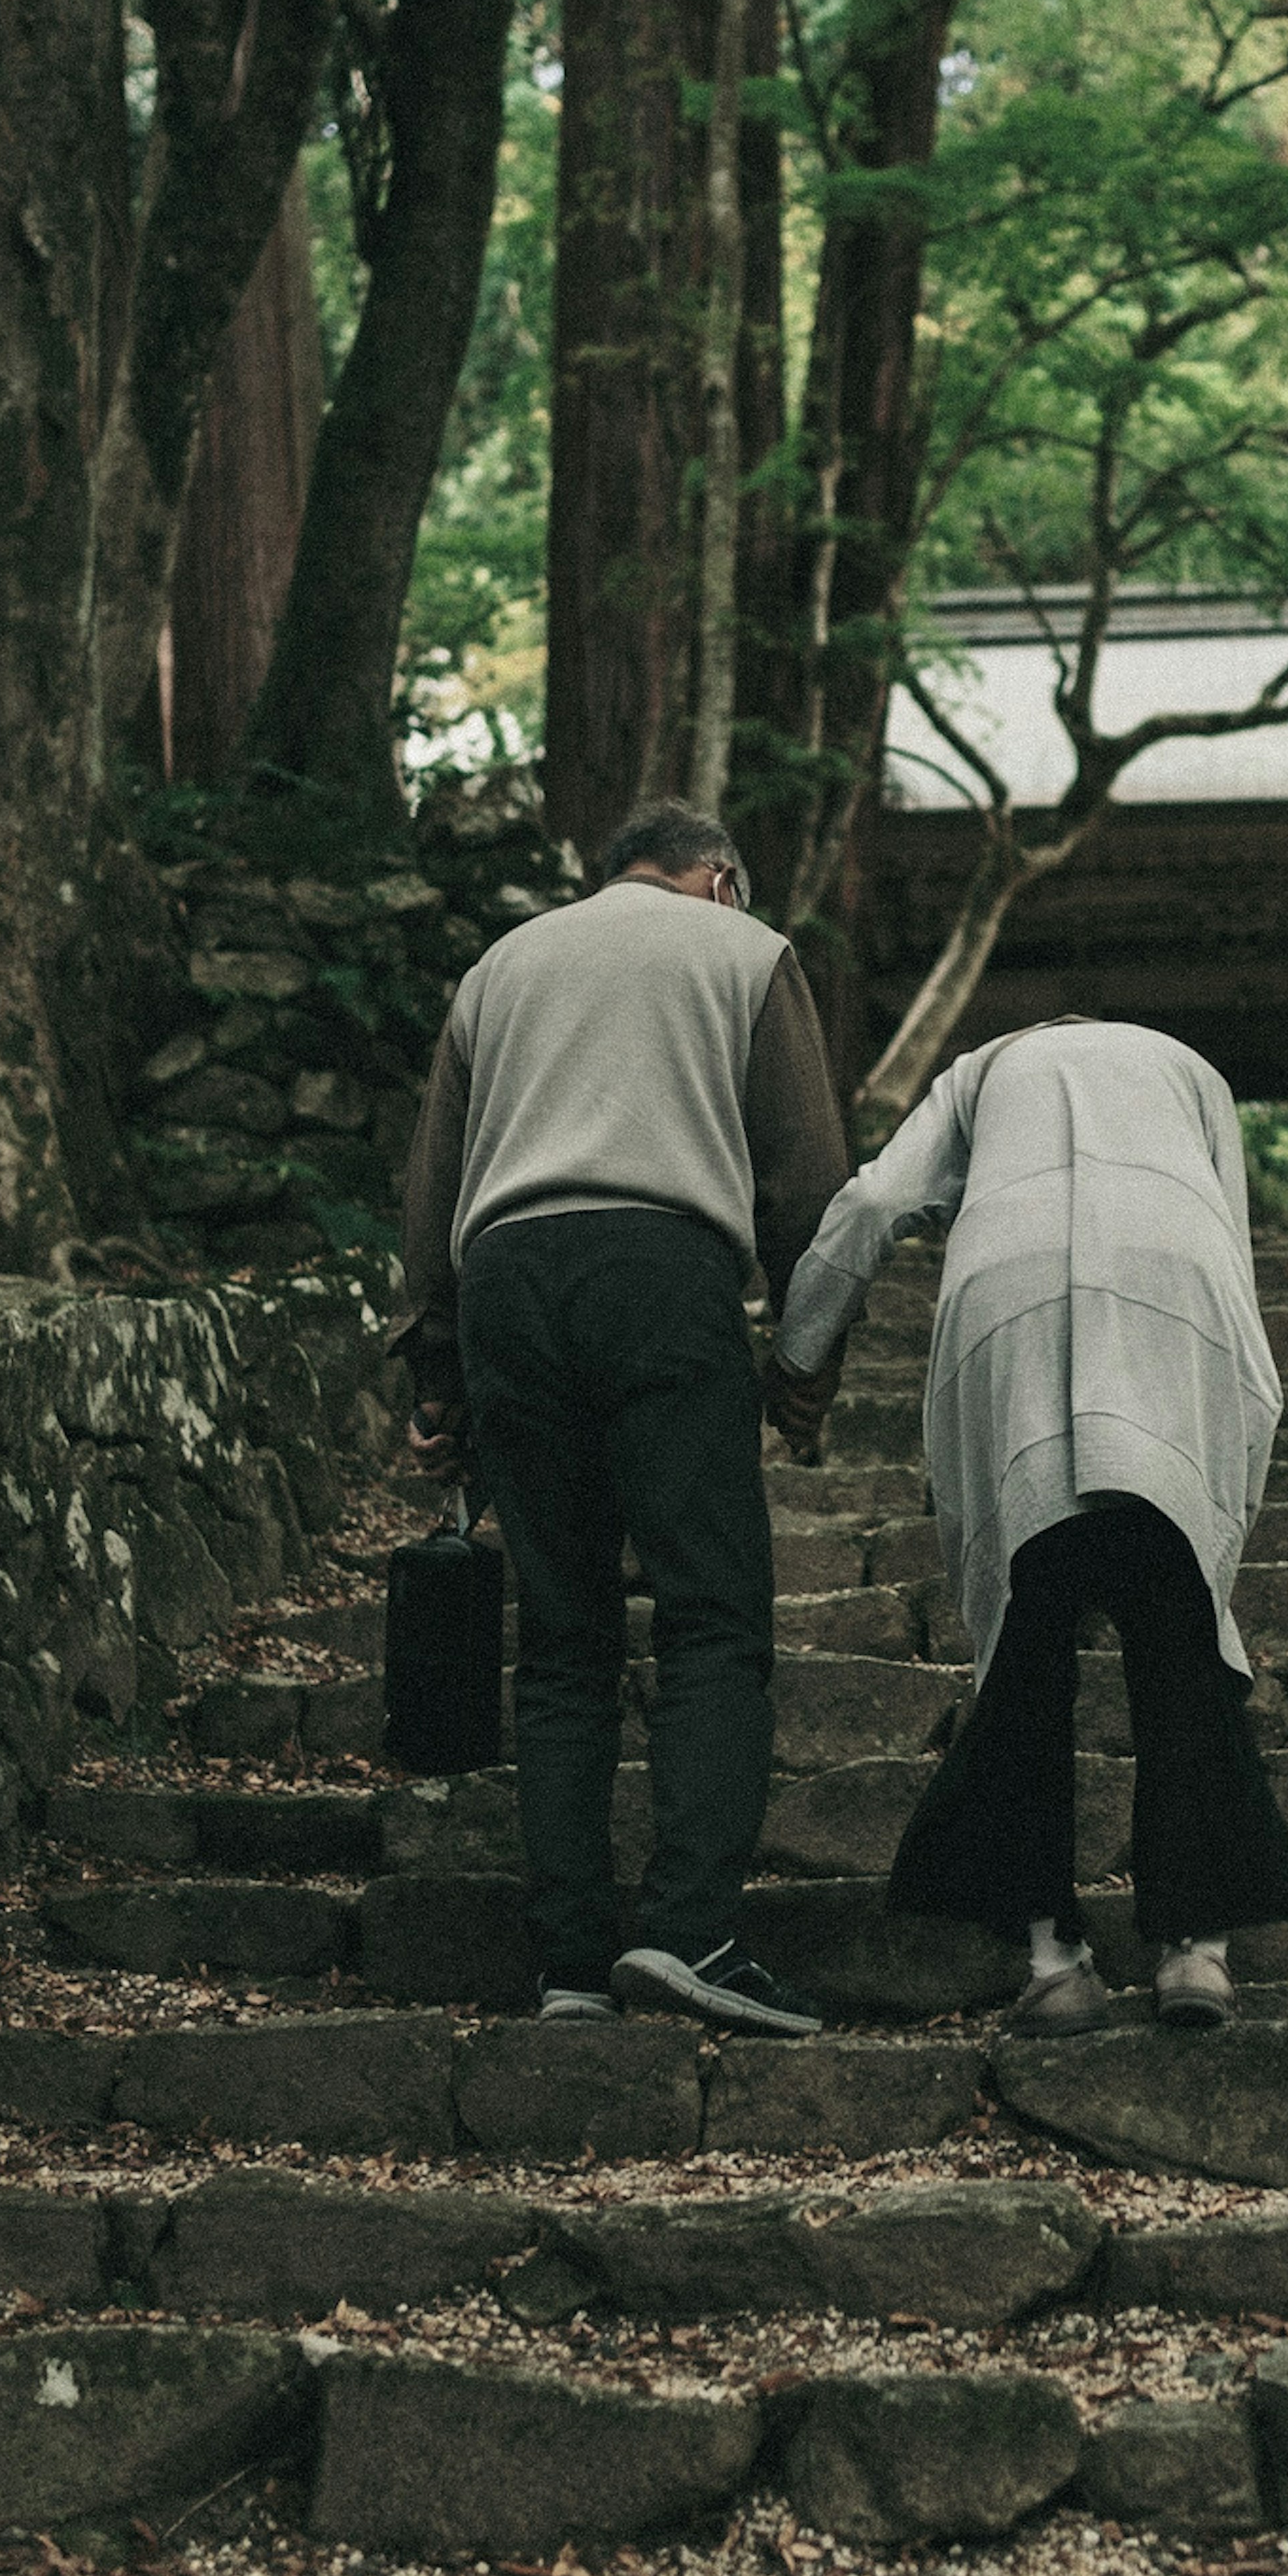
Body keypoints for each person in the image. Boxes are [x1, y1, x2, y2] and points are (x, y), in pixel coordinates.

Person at [394, 802, 847, 2034]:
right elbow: (808, 1182)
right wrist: (805, 1363)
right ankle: (692, 1929)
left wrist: (433, 1370)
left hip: (509, 1281)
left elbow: (435, 1181)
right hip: (662, 1269)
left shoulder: (501, 968)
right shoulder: (746, 955)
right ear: (719, 878)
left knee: (561, 1635)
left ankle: (570, 1966)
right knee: (709, 1614)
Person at [770, 1019, 1288, 2032]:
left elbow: (878, 1198)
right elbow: (1225, 1233)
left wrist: (801, 1354)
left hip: (1006, 1295)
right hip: (1172, 1286)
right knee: (1178, 1615)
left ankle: (1054, 1959)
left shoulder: (985, 1065)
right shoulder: (1192, 1063)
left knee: (1029, 1627)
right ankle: (1198, 1954)